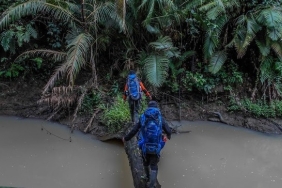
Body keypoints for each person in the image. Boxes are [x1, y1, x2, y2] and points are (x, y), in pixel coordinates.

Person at [122, 101, 171, 188]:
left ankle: (147, 177)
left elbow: (134, 130)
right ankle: (151, 185)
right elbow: (168, 130)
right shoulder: (159, 118)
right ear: (156, 108)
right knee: (154, 165)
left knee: (145, 162)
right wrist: (168, 136)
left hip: (145, 146)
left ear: (148, 107)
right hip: (156, 147)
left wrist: (126, 138)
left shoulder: (143, 117)